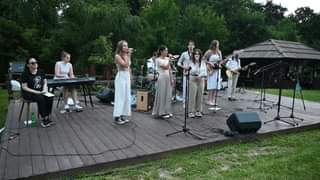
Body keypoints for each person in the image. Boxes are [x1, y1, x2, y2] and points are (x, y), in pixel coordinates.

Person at [21, 58, 54, 127]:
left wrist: (45, 89)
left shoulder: (41, 71)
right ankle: (43, 119)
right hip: (29, 92)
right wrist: (36, 92)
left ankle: (47, 116)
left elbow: (45, 81)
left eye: (36, 62)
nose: (35, 64)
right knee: (41, 98)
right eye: (32, 63)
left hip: (41, 91)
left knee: (50, 97)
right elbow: (24, 87)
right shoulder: (25, 74)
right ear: (28, 65)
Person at [113, 40, 133, 125]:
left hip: (127, 76)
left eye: (127, 45)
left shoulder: (126, 55)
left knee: (126, 97)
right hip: (121, 76)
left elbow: (129, 67)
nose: (126, 47)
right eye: (124, 46)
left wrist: (131, 77)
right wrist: (128, 55)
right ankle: (117, 117)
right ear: (120, 47)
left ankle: (122, 115)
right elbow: (125, 65)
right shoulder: (117, 56)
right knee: (120, 97)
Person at [152, 45, 173, 119]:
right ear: (161, 51)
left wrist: (172, 79)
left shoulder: (167, 58)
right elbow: (166, 67)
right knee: (162, 94)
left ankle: (166, 111)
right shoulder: (158, 60)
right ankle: (160, 112)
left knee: (168, 94)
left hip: (167, 77)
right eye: (165, 50)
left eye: (167, 50)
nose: (167, 52)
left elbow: (169, 69)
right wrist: (169, 60)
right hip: (161, 78)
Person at [203, 40, 223, 106]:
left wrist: (219, 64)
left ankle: (213, 100)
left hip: (217, 70)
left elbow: (220, 60)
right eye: (217, 44)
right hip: (210, 69)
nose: (218, 46)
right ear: (214, 45)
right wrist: (210, 63)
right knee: (211, 85)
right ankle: (209, 100)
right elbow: (203, 59)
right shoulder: (209, 52)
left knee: (215, 85)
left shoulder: (219, 52)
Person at [188, 49, 205, 118]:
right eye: (195, 54)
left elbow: (205, 72)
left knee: (200, 95)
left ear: (200, 55)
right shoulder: (191, 62)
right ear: (193, 55)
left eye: (198, 54)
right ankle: (191, 111)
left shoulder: (203, 62)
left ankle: (198, 111)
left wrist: (200, 76)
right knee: (192, 95)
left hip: (201, 79)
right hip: (193, 79)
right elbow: (191, 70)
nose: (197, 55)